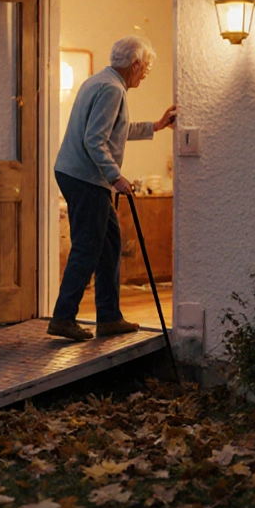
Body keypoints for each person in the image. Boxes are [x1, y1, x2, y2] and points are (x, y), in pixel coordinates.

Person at [47, 35, 177, 341]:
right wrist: (115, 176)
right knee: (88, 246)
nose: (145, 74)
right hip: (86, 178)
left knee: (108, 245)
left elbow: (113, 130)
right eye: (145, 68)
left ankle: (109, 317)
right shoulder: (112, 89)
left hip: (77, 174)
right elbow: (95, 139)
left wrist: (156, 126)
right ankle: (63, 318)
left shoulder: (99, 81)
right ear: (135, 65)